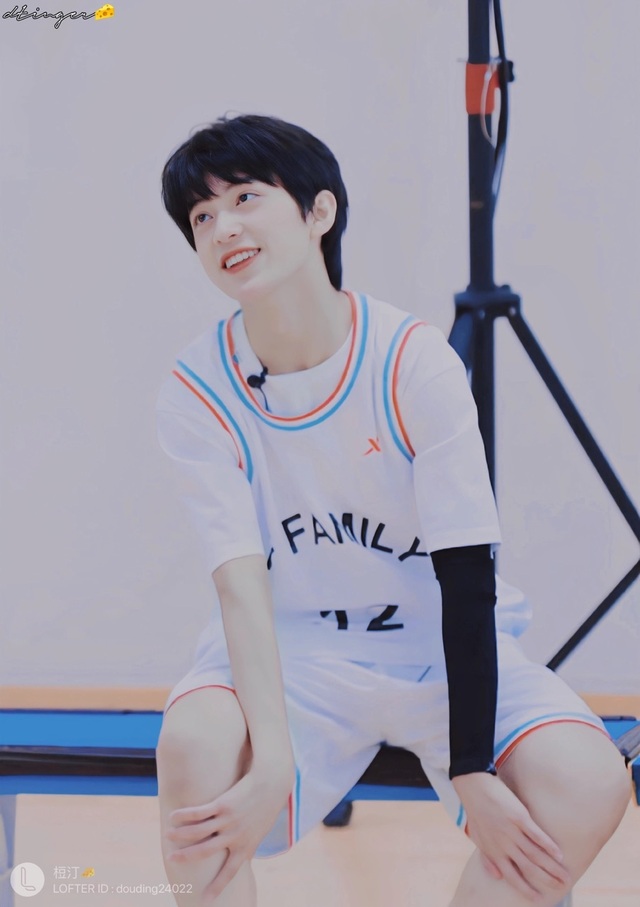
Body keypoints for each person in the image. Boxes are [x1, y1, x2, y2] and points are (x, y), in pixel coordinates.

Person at [155, 114, 629, 907]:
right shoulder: (196, 387)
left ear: (320, 210)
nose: (222, 227)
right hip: (294, 656)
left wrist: (474, 764)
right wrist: (272, 757)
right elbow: (239, 585)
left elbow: (467, 576)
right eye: (201, 217)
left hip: (435, 651)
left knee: (586, 781)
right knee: (194, 744)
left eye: (244, 198)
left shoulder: (412, 362)